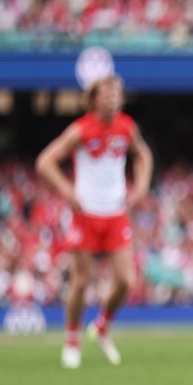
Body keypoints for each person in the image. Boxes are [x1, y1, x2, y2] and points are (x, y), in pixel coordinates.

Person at [35, 75, 153, 369]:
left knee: (126, 280)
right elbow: (45, 161)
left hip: (115, 214)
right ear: (94, 99)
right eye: (108, 94)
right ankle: (72, 339)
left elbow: (144, 155)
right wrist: (66, 191)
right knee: (81, 281)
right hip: (86, 214)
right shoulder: (81, 129)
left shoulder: (127, 126)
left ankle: (101, 328)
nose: (114, 99)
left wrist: (140, 187)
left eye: (118, 94)